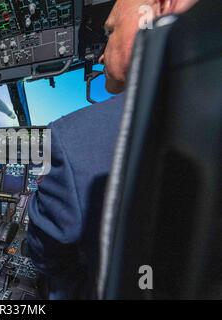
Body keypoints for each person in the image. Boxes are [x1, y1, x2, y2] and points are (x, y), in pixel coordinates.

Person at [27, 0, 199, 299]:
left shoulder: (73, 139)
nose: (103, 54)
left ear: (160, 7)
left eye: (110, 30)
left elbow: (46, 254)